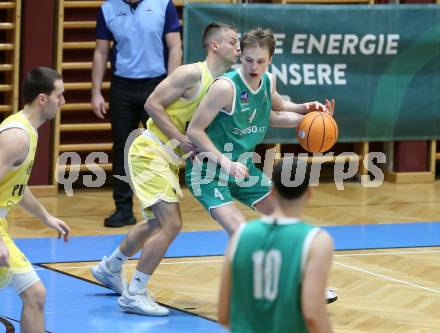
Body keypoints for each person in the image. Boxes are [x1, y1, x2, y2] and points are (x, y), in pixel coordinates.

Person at [91, 22, 240, 316]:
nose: (238, 47)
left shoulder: (223, 84)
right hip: (150, 150)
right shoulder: (192, 73)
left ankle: (110, 267)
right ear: (214, 45)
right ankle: (135, 292)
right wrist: (180, 138)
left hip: (168, 158)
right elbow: (152, 104)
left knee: (156, 223)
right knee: (171, 223)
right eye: (233, 42)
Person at [186, 27, 337, 303]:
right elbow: (194, 131)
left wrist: (312, 113)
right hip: (208, 169)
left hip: (241, 167)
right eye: (248, 60)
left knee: (285, 219)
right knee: (240, 230)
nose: (253, 67)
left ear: (270, 60)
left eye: (260, 61)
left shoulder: (268, 81)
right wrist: (225, 162)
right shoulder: (225, 87)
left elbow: (275, 113)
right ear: (240, 56)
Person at [91, 0, 182, 227]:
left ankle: (164, 204)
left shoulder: (163, 5)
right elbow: (101, 52)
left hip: (156, 85)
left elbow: (175, 48)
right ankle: (123, 209)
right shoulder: (108, 8)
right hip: (122, 87)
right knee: (123, 147)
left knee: (162, 146)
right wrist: (96, 93)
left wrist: (169, 88)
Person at [218, 157, 334, 333]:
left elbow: (224, 314)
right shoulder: (317, 241)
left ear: (271, 190)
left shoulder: (240, 236)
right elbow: (313, 314)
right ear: (309, 193)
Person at [0, 67, 71, 333]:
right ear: (43, 99)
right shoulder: (17, 136)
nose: (63, 102)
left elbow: (16, 186)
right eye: (60, 95)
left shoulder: (28, 131)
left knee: (35, 296)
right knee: (35, 295)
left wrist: (46, 217)